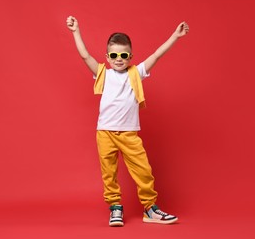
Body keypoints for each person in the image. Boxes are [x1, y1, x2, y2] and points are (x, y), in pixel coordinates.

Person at [66, 15, 189, 227]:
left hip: (129, 134)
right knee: (109, 173)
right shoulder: (103, 73)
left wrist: (175, 37)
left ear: (130, 56)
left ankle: (150, 208)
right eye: (114, 54)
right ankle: (115, 208)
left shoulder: (136, 72)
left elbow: (157, 55)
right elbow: (85, 56)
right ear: (107, 56)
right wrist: (76, 31)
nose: (119, 58)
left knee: (143, 170)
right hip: (105, 133)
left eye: (123, 54)